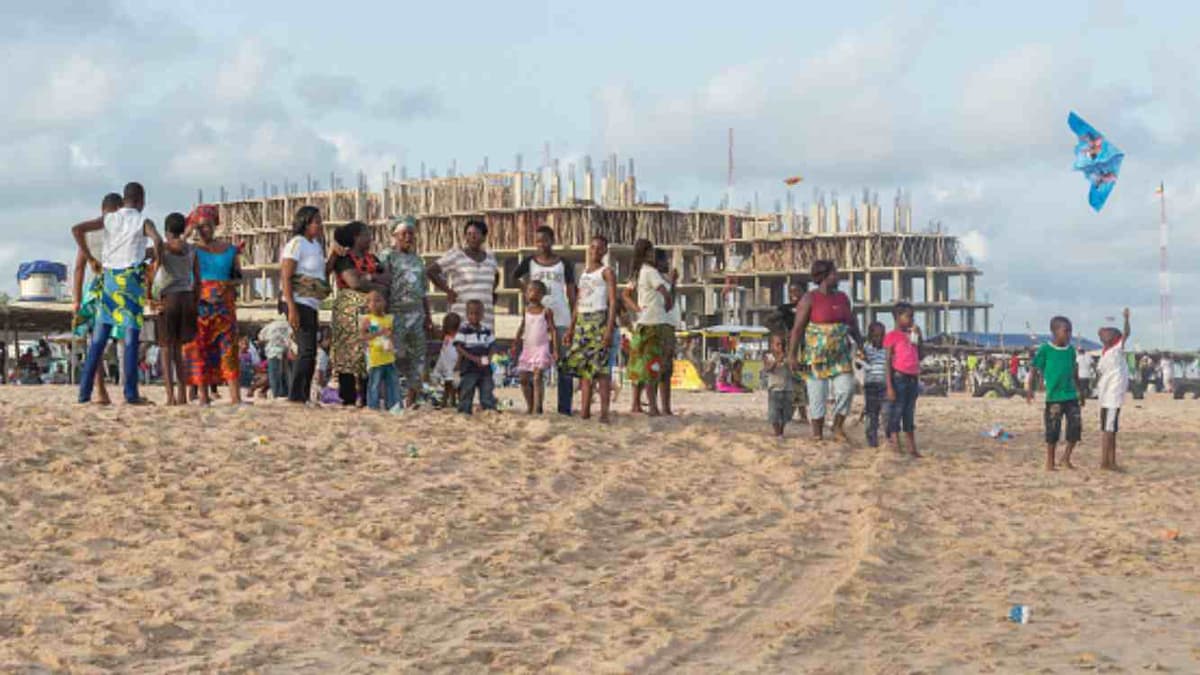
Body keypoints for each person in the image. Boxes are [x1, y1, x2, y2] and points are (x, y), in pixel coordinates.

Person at [72, 182, 162, 405]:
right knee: (131, 338)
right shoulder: (143, 220)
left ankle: (84, 394)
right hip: (131, 281)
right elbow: (158, 240)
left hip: (110, 280)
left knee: (99, 339)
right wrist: (154, 264)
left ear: (124, 199)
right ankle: (130, 394)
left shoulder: (109, 219)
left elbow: (77, 229)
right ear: (141, 200)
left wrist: (90, 256)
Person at [787, 259, 863, 441]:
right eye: (834, 273)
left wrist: (860, 344)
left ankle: (837, 426)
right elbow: (797, 329)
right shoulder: (809, 298)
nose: (837, 276)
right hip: (816, 357)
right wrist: (792, 355)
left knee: (846, 389)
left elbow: (852, 323)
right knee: (817, 396)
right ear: (823, 277)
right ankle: (817, 433)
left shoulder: (843, 298)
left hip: (841, 355)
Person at [182, 205, 243, 406]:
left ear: (214, 226)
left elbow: (238, 277)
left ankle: (235, 397)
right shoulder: (191, 251)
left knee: (229, 350)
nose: (203, 230)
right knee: (200, 349)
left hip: (224, 307)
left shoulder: (230, 250)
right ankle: (203, 396)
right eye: (199, 227)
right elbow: (174, 248)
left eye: (207, 226)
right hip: (199, 306)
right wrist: (187, 231)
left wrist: (224, 287)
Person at [515, 226, 577, 415]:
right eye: (538, 241)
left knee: (563, 364)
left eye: (545, 240)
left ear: (552, 240)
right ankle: (535, 407)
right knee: (535, 367)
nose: (541, 244)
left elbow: (572, 292)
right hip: (537, 321)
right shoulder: (530, 262)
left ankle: (564, 409)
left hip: (561, 319)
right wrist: (528, 291)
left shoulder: (564, 263)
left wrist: (574, 321)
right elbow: (514, 277)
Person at [71, 192, 124, 404]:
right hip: (118, 288)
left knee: (96, 343)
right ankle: (129, 389)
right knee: (124, 340)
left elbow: (78, 268)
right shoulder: (123, 232)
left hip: (94, 292)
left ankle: (100, 390)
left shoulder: (89, 233)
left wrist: (76, 299)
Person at [329, 221, 388, 406]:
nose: (370, 238)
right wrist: (373, 280)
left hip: (372, 312)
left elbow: (388, 279)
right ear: (356, 237)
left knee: (370, 354)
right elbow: (353, 282)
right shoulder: (345, 258)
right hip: (349, 312)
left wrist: (368, 280)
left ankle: (368, 396)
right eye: (366, 234)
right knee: (348, 355)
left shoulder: (373, 258)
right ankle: (348, 398)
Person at [562, 235, 618, 422]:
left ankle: (604, 413)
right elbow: (579, 301)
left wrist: (609, 329)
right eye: (592, 247)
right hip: (582, 323)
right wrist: (571, 327)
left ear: (605, 251)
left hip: (599, 319)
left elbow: (612, 301)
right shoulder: (584, 274)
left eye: (599, 248)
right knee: (584, 370)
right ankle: (585, 411)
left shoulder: (607, 272)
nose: (595, 250)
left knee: (601, 370)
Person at [380, 217, 433, 408]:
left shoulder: (418, 260)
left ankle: (411, 401)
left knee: (418, 358)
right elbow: (382, 287)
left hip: (417, 315)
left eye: (411, 233)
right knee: (392, 357)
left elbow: (424, 291)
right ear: (395, 236)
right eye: (404, 233)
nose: (408, 237)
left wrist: (428, 316)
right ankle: (392, 401)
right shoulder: (387, 257)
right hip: (396, 314)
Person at [280, 205, 328, 404]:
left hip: (311, 302)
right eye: (316, 221)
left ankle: (303, 395)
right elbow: (286, 276)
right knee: (306, 350)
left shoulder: (316, 245)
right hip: (297, 302)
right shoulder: (297, 243)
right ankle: (296, 396)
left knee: (310, 351)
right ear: (305, 224)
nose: (320, 225)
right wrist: (291, 307)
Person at [621, 239, 673, 417]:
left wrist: (637, 308)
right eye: (651, 252)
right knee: (652, 366)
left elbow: (626, 295)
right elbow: (664, 292)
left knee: (640, 365)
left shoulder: (638, 272)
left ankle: (641, 404)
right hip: (653, 323)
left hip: (643, 322)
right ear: (646, 254)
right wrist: (668, 302)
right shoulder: (650, 272)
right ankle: (652, 407)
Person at [1025, 316, 1084, 471]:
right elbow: (1034, 369)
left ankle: (1066, 458)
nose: (1069, 334)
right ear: (1055, 331)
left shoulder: (1071, 350)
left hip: (1071, 395)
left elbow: (1074, 372)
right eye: (1066, 331)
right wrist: (1029, 389)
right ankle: (1050, 462)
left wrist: (1080, 391)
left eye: (1070, 331)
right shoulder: (1046, 349)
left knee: (1075, 428)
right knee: (1053, 430)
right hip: (1054, 397)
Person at [154, 212, 198, 406]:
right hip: (187, 297)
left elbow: (155, 255)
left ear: (167, 231)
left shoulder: (164, 248)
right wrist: (195, 302)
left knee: (165, 348)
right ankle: (182, 394)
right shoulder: (192, 250)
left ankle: (170, 395)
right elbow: (198, 278)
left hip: (169, 298)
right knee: (180, 349)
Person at [427, 219, 500, 330]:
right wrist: (448, 291)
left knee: (484, 346)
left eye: (476, 234)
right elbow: (431, 271)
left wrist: (491, 292)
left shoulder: (490, 258)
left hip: (486, 320)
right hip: (462, 319)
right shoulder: (457, 255)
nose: (472, 237)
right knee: (461, 346)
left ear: (484, 237)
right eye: (468, 234)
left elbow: (496, 275)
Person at [514, 281, 559, 414]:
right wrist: (515, 342)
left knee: (537, 377)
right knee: (523, 378)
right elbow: (522, 326)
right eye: (529, 291)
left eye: (535, 291)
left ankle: (537, 407)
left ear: (542, 294)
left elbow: (553, 330)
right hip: (528, 348)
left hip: (541, 348)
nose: (531, 293)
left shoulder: (546, 311)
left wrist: (555, 349)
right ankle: (530, 404)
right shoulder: (525, 310)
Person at [884, 303, 922, 458]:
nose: (911, 319)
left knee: (909, 412)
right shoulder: (892, 336)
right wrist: (889, 386)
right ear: (898, 318)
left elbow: (921, 354)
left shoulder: (911, 335)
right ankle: (895, 441)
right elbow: (887, 362)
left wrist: (920, 337)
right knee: (897, 410)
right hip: (899, 377)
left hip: (913, 377)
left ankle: (911, 446)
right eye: (908, 316)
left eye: (912, 316)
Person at [1095, 308, 1131, 471]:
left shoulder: (1116, 349)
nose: (1103, 334)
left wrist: (1125, 319)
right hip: (1108, 397)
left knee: (1111, 430)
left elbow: (1127, 333)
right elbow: (1100, 330)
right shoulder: (1106, 352)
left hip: (1112, 396)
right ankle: (1105, 462)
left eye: (1108, 333)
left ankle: (1111, 461)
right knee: (1108, 430)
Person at [454, 300, 497, 414]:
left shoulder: (486, 331)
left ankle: (489, 410)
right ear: (467, 314)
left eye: (477, 313)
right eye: (471, 313)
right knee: (467, 390)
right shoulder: (463, 330)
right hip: (469, 368)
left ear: (482, 314)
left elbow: (492, 346)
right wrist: (473, 358)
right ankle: (464, 411)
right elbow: (459, 347)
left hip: (485, 368)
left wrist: (488, 358)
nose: (474, 316)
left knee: (487, 390)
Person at [360, 289, 399, 411]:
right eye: (373, 301)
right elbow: (362, 337)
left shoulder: (390, 318)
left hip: (388, 356)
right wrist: (378, 333)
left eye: (379, 300)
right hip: (375, 357)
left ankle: (393, 406)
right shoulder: (367, 319)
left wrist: (390, 336)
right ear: (368, 305)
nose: (376, 303)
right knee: (374, 384)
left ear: (385, 302)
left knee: (392, 383)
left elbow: (394, 336)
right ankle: (372, 406)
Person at [656, 248, 681, 416]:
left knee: (666, 370)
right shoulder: (655, 279)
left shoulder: (663, 279)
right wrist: (672, 283)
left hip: (669, 325)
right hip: (661, 325)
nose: (667, 264)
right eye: (665, 260)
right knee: (660, 368)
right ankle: (659, 406)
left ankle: (666, 407)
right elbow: (668, 302)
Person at [862, 321, 888, 448]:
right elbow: (858, 364)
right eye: (876, 336)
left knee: (887, 413)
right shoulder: (866, 348)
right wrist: (861, 358)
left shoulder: (888, 348)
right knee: (872, 414)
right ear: (870, 336)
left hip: (885, 384)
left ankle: (890, 438)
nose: (879, 338)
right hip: (870, 385)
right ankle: (872, 440)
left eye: (882, 335)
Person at [258, 307, 293, 399]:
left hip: (272, 352)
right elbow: (292, 337)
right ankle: (285, 392)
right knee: (285, 373)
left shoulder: (270, 326)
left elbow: (261, 337)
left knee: (274, 374)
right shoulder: (288, 325)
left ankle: (276, 393)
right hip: (285, 352)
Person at [764, 333, 794, 437]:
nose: (780, 347)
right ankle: (777, 433)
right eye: (777, 344)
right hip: (774, 389)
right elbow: (768, 369)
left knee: (786, 413)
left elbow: (794, 368)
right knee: (774, 413)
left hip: (787, 389)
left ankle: (781, 431)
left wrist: (790, 361)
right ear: (772, 345)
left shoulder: (788, 356)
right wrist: (777, 361)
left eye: (782, 344)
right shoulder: (769, 356)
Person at [432, 312, 462, 409]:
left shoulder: (458, 339)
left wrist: (458, 363)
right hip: (446, 363)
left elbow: (460, 352)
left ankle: (455, 401)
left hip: (454, 364)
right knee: (448, 384)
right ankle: (448, 401)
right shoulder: (447, 336)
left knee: (455, 385)